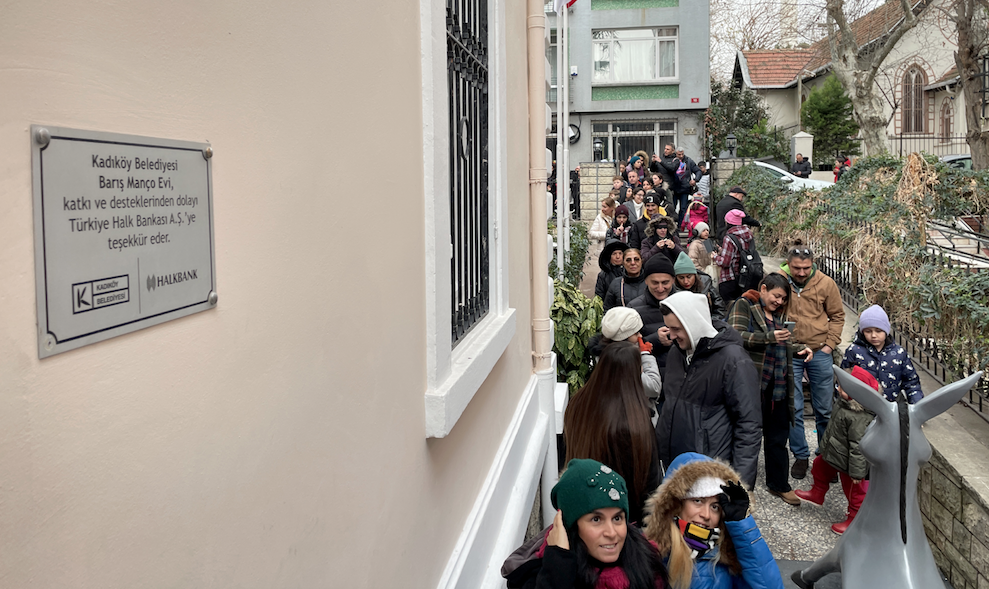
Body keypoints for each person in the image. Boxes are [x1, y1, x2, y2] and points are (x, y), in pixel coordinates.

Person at [503, 459, 669, 589]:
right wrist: (559, 563)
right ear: (570, 526)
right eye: (596, 519)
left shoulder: (647, 564)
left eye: (617, 518)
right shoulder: (541, 575)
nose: (611, 533)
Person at [653, 292, 762, 488]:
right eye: (669, 327)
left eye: (677, 328)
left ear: (693, 323)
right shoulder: (676, 352)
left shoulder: (734, 360)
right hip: (675, 466)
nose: (671, 335)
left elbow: (749, 425)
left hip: (710, 471)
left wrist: (740, 488)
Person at [726, 274, 813, 506]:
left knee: (777, 438)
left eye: (783, 299)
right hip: (753, 384)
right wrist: (768, 337)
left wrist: (799, 348)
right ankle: (742, 487)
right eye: (776, 296)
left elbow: (781, 344)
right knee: (748, 437)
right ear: (763, 289)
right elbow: (735, 336)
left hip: (779, 386)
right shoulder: (744, 305)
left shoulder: (776, 315)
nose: (779, 302)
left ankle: (779, 484)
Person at [643, 452, 784, 589]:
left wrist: (742, 526)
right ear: (676, 504)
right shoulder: (648, 553)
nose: (706, 515)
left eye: (715, 506)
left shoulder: (730, 558)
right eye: (698, 500)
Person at [564, 342, 662, 524]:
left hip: (582, 506)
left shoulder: (578, 404)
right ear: (634, 373)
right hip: (620, 520)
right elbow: (649, 484)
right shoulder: (634, 423)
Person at [781, 242, 845, 480]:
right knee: (794, 408)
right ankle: (800, 455)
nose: (801, 273)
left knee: (825, 409)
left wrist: (829, 346)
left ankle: (826, 457)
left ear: (812, 265)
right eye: (796, 268)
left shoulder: (826, 283)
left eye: (806, 268)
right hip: (791, 352)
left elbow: (838, 316)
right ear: (789, 265)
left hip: (819, 352)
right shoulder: (780, 280)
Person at [794, 367, 881, 535]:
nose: (838, 389)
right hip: (834, 452)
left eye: (842, 387)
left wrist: (857, 473)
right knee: (819, 466)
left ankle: (855, 518)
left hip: (848, 462)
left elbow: (858, 447)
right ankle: (817, 492)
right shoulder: (844, 404)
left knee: (854, 492)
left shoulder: (859, 418)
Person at [840, 304, 924, 403]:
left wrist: (916, 405)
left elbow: (911, 382)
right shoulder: (854, 351)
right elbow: (843, 378)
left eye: (878, 331)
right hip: (863, 408)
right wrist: (843, 395)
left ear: (886, 331)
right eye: (868, 331)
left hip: (891, 407)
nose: (873, 335)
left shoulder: (899, 353)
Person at [591, 307, 663, 407]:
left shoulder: (604, 356)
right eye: (636, 333)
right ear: (623, 338)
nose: (640, 336)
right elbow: (653, 388)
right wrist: (646, 355)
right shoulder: (622, 362)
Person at [628, 255, 678, 375]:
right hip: (652, 375)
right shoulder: (633, 309)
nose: (660, 288)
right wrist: (655, 340)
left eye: (665, 283)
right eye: (655, 283)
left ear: (673, 280)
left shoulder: (686, 302)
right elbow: (628, 349)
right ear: (645, 281)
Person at [714, 209, 755, 305]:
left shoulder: (729, 238)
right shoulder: (749, 235)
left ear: (728, 222)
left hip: (730, 279)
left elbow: (725, 262)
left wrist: (715, 257)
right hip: (747, 277)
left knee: (729, 308)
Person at [672, 252, 725, 321]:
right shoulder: (672, 289)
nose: (686, 281)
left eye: (689, 277)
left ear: (695, 275)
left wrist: (711, 322)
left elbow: (720, 307)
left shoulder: (706, 283)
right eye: (681, 278)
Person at [604, 248, 647, 312]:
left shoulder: (650, 282)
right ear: (623, 263)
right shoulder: (616, 284)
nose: (633, 263)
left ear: (641, 261)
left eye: (636, 259)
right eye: (628, 260)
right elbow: (607, 311)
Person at [589, 196, 617, 260]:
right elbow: (591, 233)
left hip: (615, 250)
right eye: (602, 206)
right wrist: (606, 235)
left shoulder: (617, 218)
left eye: (605, 207)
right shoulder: (599, 217)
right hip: (603, 250)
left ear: (612, 208)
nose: (602, 209)